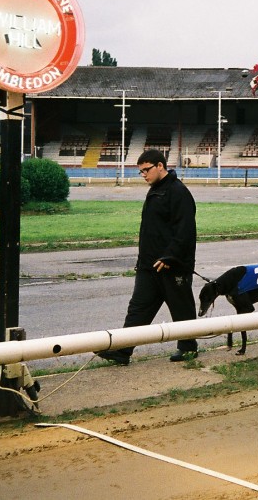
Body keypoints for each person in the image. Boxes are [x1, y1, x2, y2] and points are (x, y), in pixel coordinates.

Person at [96, 149, 199, 365]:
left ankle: (188, 348)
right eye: (141, 171)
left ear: (160, 166)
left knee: (181, 308)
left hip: (172, 266)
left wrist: (170, 257)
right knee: (138, 309)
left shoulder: (178, 192)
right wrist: (143, 261)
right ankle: (122, 351)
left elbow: (185, 231)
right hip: (149, 265)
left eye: (146, 170)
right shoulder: (155, 190)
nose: (143, 175)